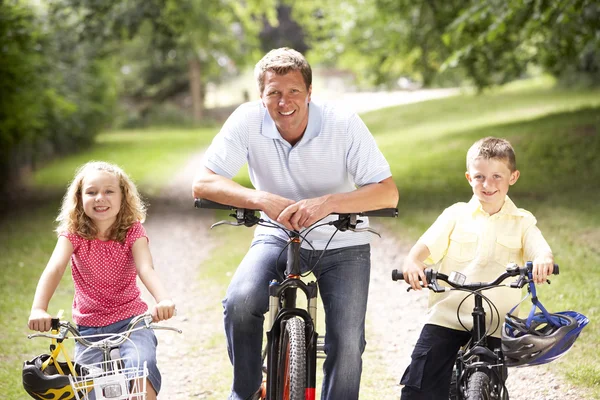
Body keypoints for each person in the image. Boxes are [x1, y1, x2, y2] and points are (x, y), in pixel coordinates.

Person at [192, 47, 399, 400]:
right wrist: (261, 199)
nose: (283, 101)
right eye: (273, 92)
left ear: (309, 93)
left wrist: (328, 204)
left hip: (341, 240)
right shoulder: (246, 120)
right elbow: (204, 183)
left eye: (293, 92)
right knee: (240, 302)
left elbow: (387, 193)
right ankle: (246, 391)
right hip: (276, 235)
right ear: (261, 95)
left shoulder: (342, 123)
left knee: (347, 341)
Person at [399, 137, 555, 399]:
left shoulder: (522, 221)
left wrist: (543, 261)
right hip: (449, 316)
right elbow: (424, 247)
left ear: (513, 177)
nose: (488, 184)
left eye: (497, 176)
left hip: (497, 322)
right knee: (421, 382)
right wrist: (413, 261)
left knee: (492, 385)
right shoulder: (455, 215)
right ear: (468, 176)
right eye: (480, 176)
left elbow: (541, 249)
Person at [28, 161, 176, 400]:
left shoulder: (133, 231)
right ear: (79, 198)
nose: (100, 198)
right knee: (85, 388)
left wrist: (163, 299)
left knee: (141, 367)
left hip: (131, 322)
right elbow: (55, 268)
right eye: (91, 192)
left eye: (109, 191)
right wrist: (38, 308)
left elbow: (145, 267)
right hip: (89, 328)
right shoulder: (73, 233)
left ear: (123, 197)